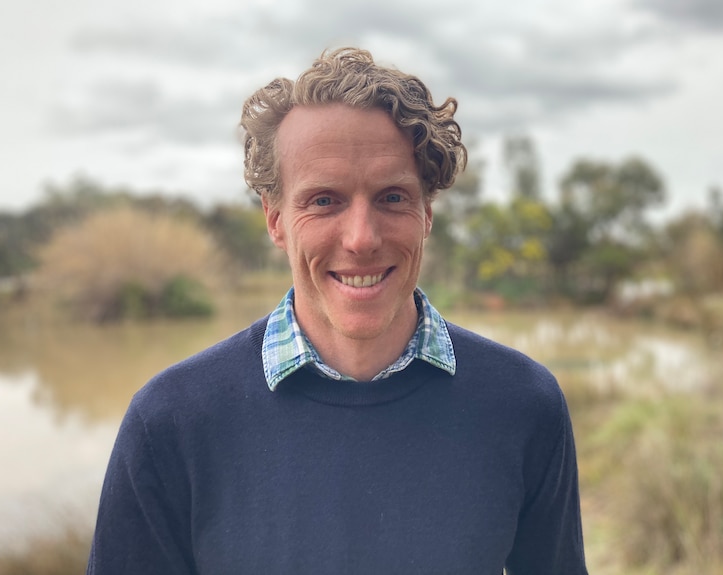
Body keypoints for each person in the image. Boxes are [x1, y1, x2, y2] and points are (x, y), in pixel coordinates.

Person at [87, 47, 589, 575]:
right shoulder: (169, 424)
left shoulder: (524, 405)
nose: (361, 239)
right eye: (324, 200)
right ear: (276, 219)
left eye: (392, 197)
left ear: (427, 214)